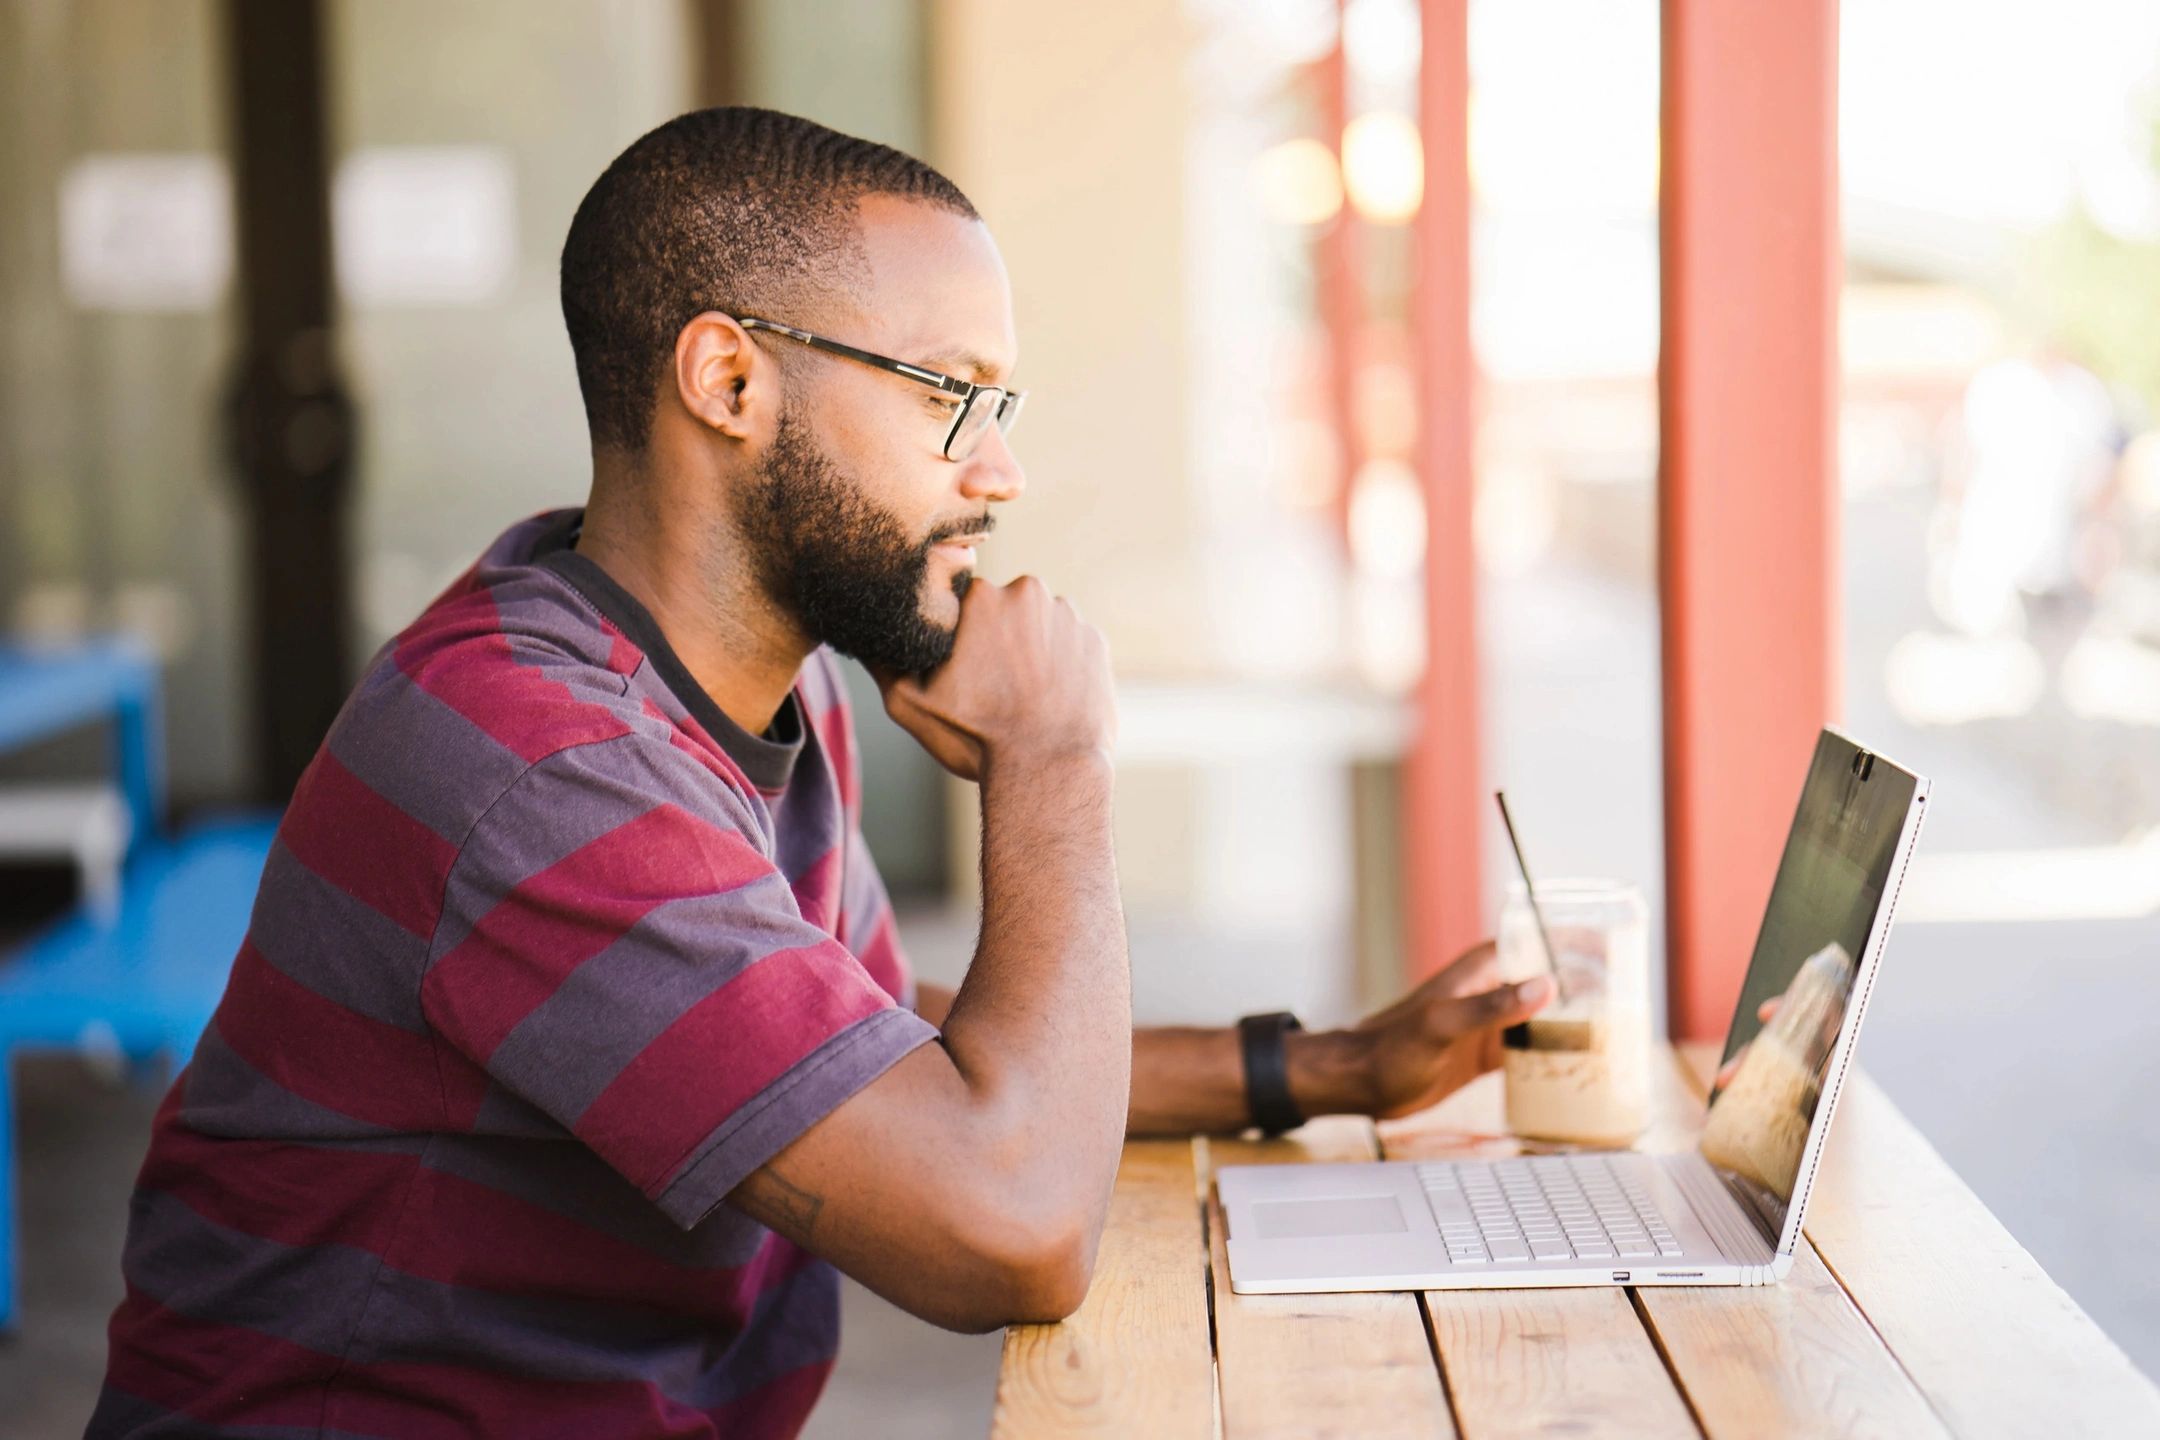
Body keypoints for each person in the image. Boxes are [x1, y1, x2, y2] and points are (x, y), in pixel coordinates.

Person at [89, 107, 1553, 1439]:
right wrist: (1055, 761)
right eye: (950, 395)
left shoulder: (743, 678)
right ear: (728, 380)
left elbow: (860, 1044)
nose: (1000, 474)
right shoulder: (537, 765)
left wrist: (1325, 1069)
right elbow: (1008, 1227)